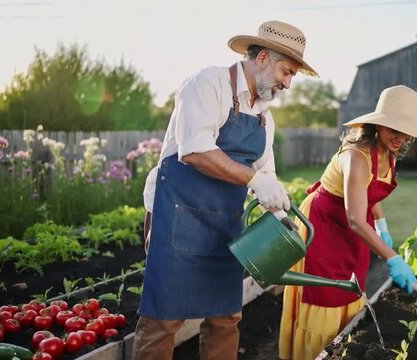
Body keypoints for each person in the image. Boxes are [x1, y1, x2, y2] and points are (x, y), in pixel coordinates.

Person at [133, 20, 318, 360]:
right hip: (179, 218)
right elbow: (195, 151)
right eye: (286, 71)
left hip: (226, 228)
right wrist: (254, 181)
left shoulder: (265, 117)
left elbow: (267, 174)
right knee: (164, 319)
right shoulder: (207, 84)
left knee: (226, 318)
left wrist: (278, 212)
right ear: (263, 58)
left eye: (292, 76)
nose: (288, 84)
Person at [278, 85, 417, 360]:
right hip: (325, 225)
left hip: (355, 223)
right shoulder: (356, 157)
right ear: (377, 126)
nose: (401, 137)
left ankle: (342, 344)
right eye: (394, 129)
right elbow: (355, 219)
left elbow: (369, 195)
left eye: (406, 132)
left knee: (352, 284)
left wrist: (382, 226)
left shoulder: (390, 153)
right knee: (326, 292)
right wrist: (393, 258)